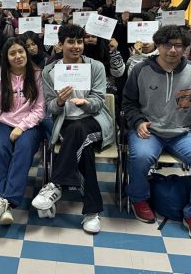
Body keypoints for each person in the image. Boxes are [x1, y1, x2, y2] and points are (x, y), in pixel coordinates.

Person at [123, 24, 191, 241]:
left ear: (185, 48)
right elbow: (128, 103)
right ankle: (139, 198)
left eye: (178, 46)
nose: (173, 50)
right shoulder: (141, 70)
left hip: (182, 133)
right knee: (141, 156)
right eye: (167, 45)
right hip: (150, 131)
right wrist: (138, 121)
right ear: (158, 45)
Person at [34, 24, 114, 233]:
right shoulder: (50, 71)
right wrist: (59, 102)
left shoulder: (95, 66)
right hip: (66, 123)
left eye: (79, 41)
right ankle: (92, 212)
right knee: (83, 147)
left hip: (94, 120)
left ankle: (56, 184)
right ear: (60, 45)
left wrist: (86, 103)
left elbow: (99, 101)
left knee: (79, 129)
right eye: (70, 42)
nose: (76, 46)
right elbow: (50, 107)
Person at [0, 37, 45, 225]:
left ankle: (4, 201)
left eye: (20, 51)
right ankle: (4, 205)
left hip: (29, 124)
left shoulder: (37, 74)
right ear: (6, 57)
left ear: (26, 53)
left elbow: (40, 109)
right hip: (0, 122)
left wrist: (21, 127)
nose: (18, 56)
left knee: (23, 148)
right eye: (12, 53)